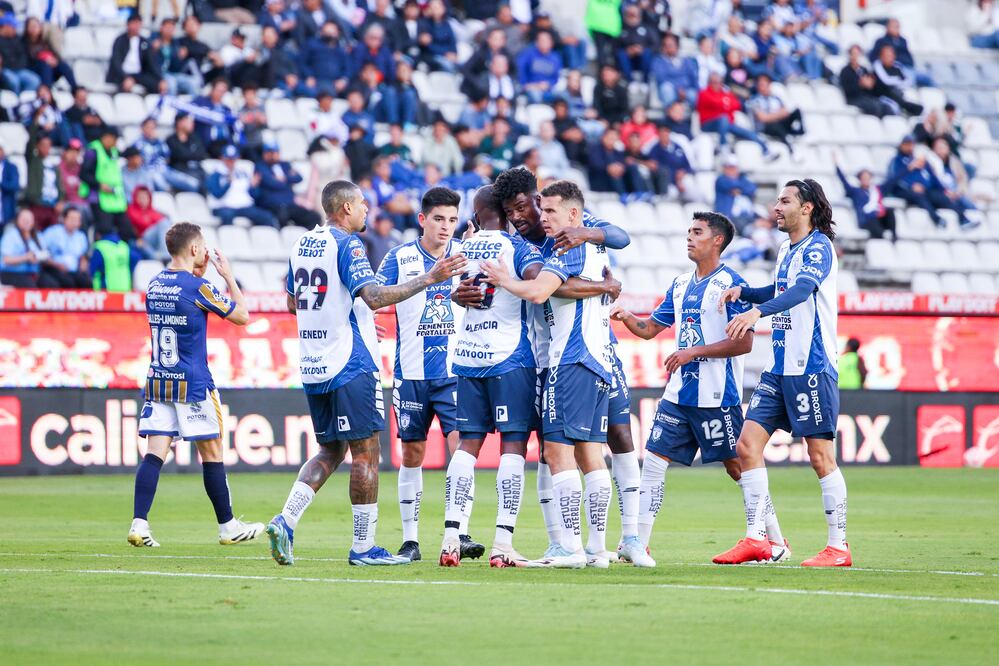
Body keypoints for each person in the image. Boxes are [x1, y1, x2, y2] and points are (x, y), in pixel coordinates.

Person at [265, 179, 467, 567]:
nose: (366, 211)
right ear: (344, 209)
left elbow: (293, 303)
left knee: (330, 449)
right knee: (366, 453)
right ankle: (363, 547)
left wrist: (350, 314)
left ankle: (285, 520)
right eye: (361, 205)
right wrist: (430, 278)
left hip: (313, 362)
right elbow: (373, 295)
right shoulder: (348, 244)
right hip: (351, 363)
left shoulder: (302, 244)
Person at [486, 167, 647, 567]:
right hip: (557, 355)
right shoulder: (531, 245)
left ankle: (594, 543)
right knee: (577, 450)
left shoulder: (572, 235)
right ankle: (587, 546)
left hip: (576, 354)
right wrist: (604, 287)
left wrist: (586, 236)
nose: (524, 217)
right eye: (512, 212)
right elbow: (557, 285)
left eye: (528, 206)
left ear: (540, 200)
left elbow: (549, 288)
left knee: (586, 443)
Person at [715, 178, 849, 567]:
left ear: (806, 208)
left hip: (812, 365)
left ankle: (838, 547)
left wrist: (758, 311)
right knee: (746, 446)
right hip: (779, 367)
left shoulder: (819, 246)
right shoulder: (787, 249)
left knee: (820, 455)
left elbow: (802, 290)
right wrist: (748, 294)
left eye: (785, 200)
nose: (776, 206)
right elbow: (780, 287)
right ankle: (759, 539)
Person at [611, 212, 756, 560]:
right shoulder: (679, 284)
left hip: (718, 396)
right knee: (655, 462)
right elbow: (649, 330)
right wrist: (627, 317)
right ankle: (637, 542)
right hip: (678, 395)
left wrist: (694, 352)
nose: (689, 237)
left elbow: (745, 343)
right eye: (688, 231)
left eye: (697, 232)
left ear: (717, 240)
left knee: (737, 466)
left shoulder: (732, 285)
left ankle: (772, 538)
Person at [129, 222, 264, 548]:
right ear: (193, 250)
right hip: (193, 384)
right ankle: (228, 526)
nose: (206, 251)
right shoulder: (198, 288)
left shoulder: (155, 282)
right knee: (212, 453)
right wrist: (227, 276)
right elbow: (243, 316)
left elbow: (183, 298)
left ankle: (139, 523)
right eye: (202, 246)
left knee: (154, 455)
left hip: (161, 380)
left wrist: (199, 272)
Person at [436, 187, 543, 569]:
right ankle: (502, 543)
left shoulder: (460, 249)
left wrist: (457, 295)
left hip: (467, 357)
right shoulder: (518, 249)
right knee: (513, 447)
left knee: (467, 445)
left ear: (477, 213)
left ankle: (451, 539)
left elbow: (453, 291)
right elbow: (539, 285)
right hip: (509, 358)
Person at [374, 187, 477, 563]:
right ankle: (411, 540)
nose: (446, 227)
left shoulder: (467, 257)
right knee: (412, 453)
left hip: (456, 372)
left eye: (452, 219)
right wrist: (368, 316)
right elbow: (372, 294)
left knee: (460, 448)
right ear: (422, 220)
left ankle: (459, 532)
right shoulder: (400, 257)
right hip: (412, 373)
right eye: (438, 219)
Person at [698, 72, 774, 158]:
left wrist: (724, 104)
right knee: (723, 118)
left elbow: (736, 105)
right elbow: (715, 103)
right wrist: (725, 104)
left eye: (720, 83)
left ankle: (765, 149)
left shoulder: (725, 93)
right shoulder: (704, 93)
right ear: (709, 83)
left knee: (746, 132)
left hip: (727, 124)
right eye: (714, 82)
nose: (717, 85)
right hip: (708, 124)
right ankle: (723, 147)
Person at [80, 126, 134, 241]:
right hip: (98, 197)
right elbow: (83, 174)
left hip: (116, 199)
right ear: (107, 137)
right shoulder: (93, 151)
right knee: (105, 229)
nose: (116, 143)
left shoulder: (114, 152)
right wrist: (100, 185)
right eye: (115, 139)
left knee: (127, 230)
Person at [208, 144, 279, 228]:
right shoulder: (215, 175)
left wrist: (253, 186)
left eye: (233, 159)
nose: (231, 162)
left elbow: (254, 195)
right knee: (227, 215)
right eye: (228, 159)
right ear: (222, 158)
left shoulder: (243, 173)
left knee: (267, 217)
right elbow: (217, 194)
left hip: (243, 206)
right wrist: (228, 183)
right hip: (224, 206)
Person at [255, 143, 322, 228]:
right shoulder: (260, 166)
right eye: (269, 153)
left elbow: (299, 177)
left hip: (289, 203)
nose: (272, 155)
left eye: (274, 152)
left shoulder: (284, 165)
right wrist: (287, 179)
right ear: (264, 154)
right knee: (282, 215)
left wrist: (284, 178)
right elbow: (270, 182)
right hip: (272, 204)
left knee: (314, 217)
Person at [834, 155, 894, 239]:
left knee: (890, 211)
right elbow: (844, 181)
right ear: (860, 179)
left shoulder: (877, 190)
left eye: (867, 177)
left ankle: (894, 236)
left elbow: (892, 180)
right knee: (874, 223)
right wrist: (836, 165)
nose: (866, 179)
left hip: (878, 219)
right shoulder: (855, 191)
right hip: (866, 221)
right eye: (863, 177)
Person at [107, 12, 165, 94]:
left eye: (138, 23)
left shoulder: (144, 43)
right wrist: (125, 77)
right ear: (128, 24)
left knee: (156, 84)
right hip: (122, 74)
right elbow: (116, 62)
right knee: (125, 85)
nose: (136, 26)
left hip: (138, 75)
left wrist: (161, 79)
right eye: (134, 23)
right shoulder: (120, 41)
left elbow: (151, 62)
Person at [746, 74, 803, 150]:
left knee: (796, 111)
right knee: (774, 125)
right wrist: (777, 115)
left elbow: (786, 111)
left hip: (778, 122)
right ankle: (790, 147)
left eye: (765, 85)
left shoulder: (775, 98)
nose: (763, 88)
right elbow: (763, 118)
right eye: (761, 85)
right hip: (765, 128)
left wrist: (772, 116)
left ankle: (799, 133)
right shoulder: (754, 101)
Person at [39, 207, 91, 288]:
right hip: (53, 268)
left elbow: (82, 256)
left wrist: (83, 264)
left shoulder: (81, 236)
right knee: (68, 282)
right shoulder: (52, 232)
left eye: (77, 220)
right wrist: (56, 264)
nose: (74, 222)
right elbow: (41, 253)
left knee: (86, 282)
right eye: (72, 219)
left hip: (73, 270)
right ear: (64, 219)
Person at [24, 133, 64, 232]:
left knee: (53, 234)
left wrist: (60, 201)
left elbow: (59, 186)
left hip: (53, 207)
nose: (46, 148)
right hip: (38, 205)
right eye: (43, 145)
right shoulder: (33, 161)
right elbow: (30, 144)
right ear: (37, 146)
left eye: (48, 145)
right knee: (36, 233)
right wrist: (36, 121)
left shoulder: (53, 165)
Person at [0, 209, 45, 288]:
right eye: (24, 219)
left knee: (50, 283)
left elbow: (45, 253)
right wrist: (26, 257)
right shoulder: (10, 236)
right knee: (30, 285)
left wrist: (38, 258)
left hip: (33, 272)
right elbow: (6, 260)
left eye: (29, 220)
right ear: (17, 220)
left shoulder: (37, 235)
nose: (27, 222)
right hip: (10, 273)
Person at [0, 14, 42, 94]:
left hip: (19, 69)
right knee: (13, 81)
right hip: (5, 70)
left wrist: (16, 67)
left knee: (34, 80)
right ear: (5, 26)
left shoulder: (18, 39)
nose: (15, 29)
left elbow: (23, 57)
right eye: (13, 26)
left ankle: (25, 100)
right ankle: (14, 102)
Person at [715, 155, 759, 231]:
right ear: (724, 168)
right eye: (729, 167)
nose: (731, 170)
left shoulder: (742, 178)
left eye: (733, 167)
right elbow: (731, 185)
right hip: (728, 218)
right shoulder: (721, 180)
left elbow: (752, 188)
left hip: (746, 216)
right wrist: (743, 189)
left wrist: (740, 190)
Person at [417, 0, 457, 72]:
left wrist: (454, 53)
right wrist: (445, 53)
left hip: (446, 56)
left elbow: (452, 41)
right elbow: (428, 45)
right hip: (431, 56)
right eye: (432, 7)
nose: (435, 9)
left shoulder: (446, 24)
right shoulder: (424, 24)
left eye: (437, 7)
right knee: (447, 65)